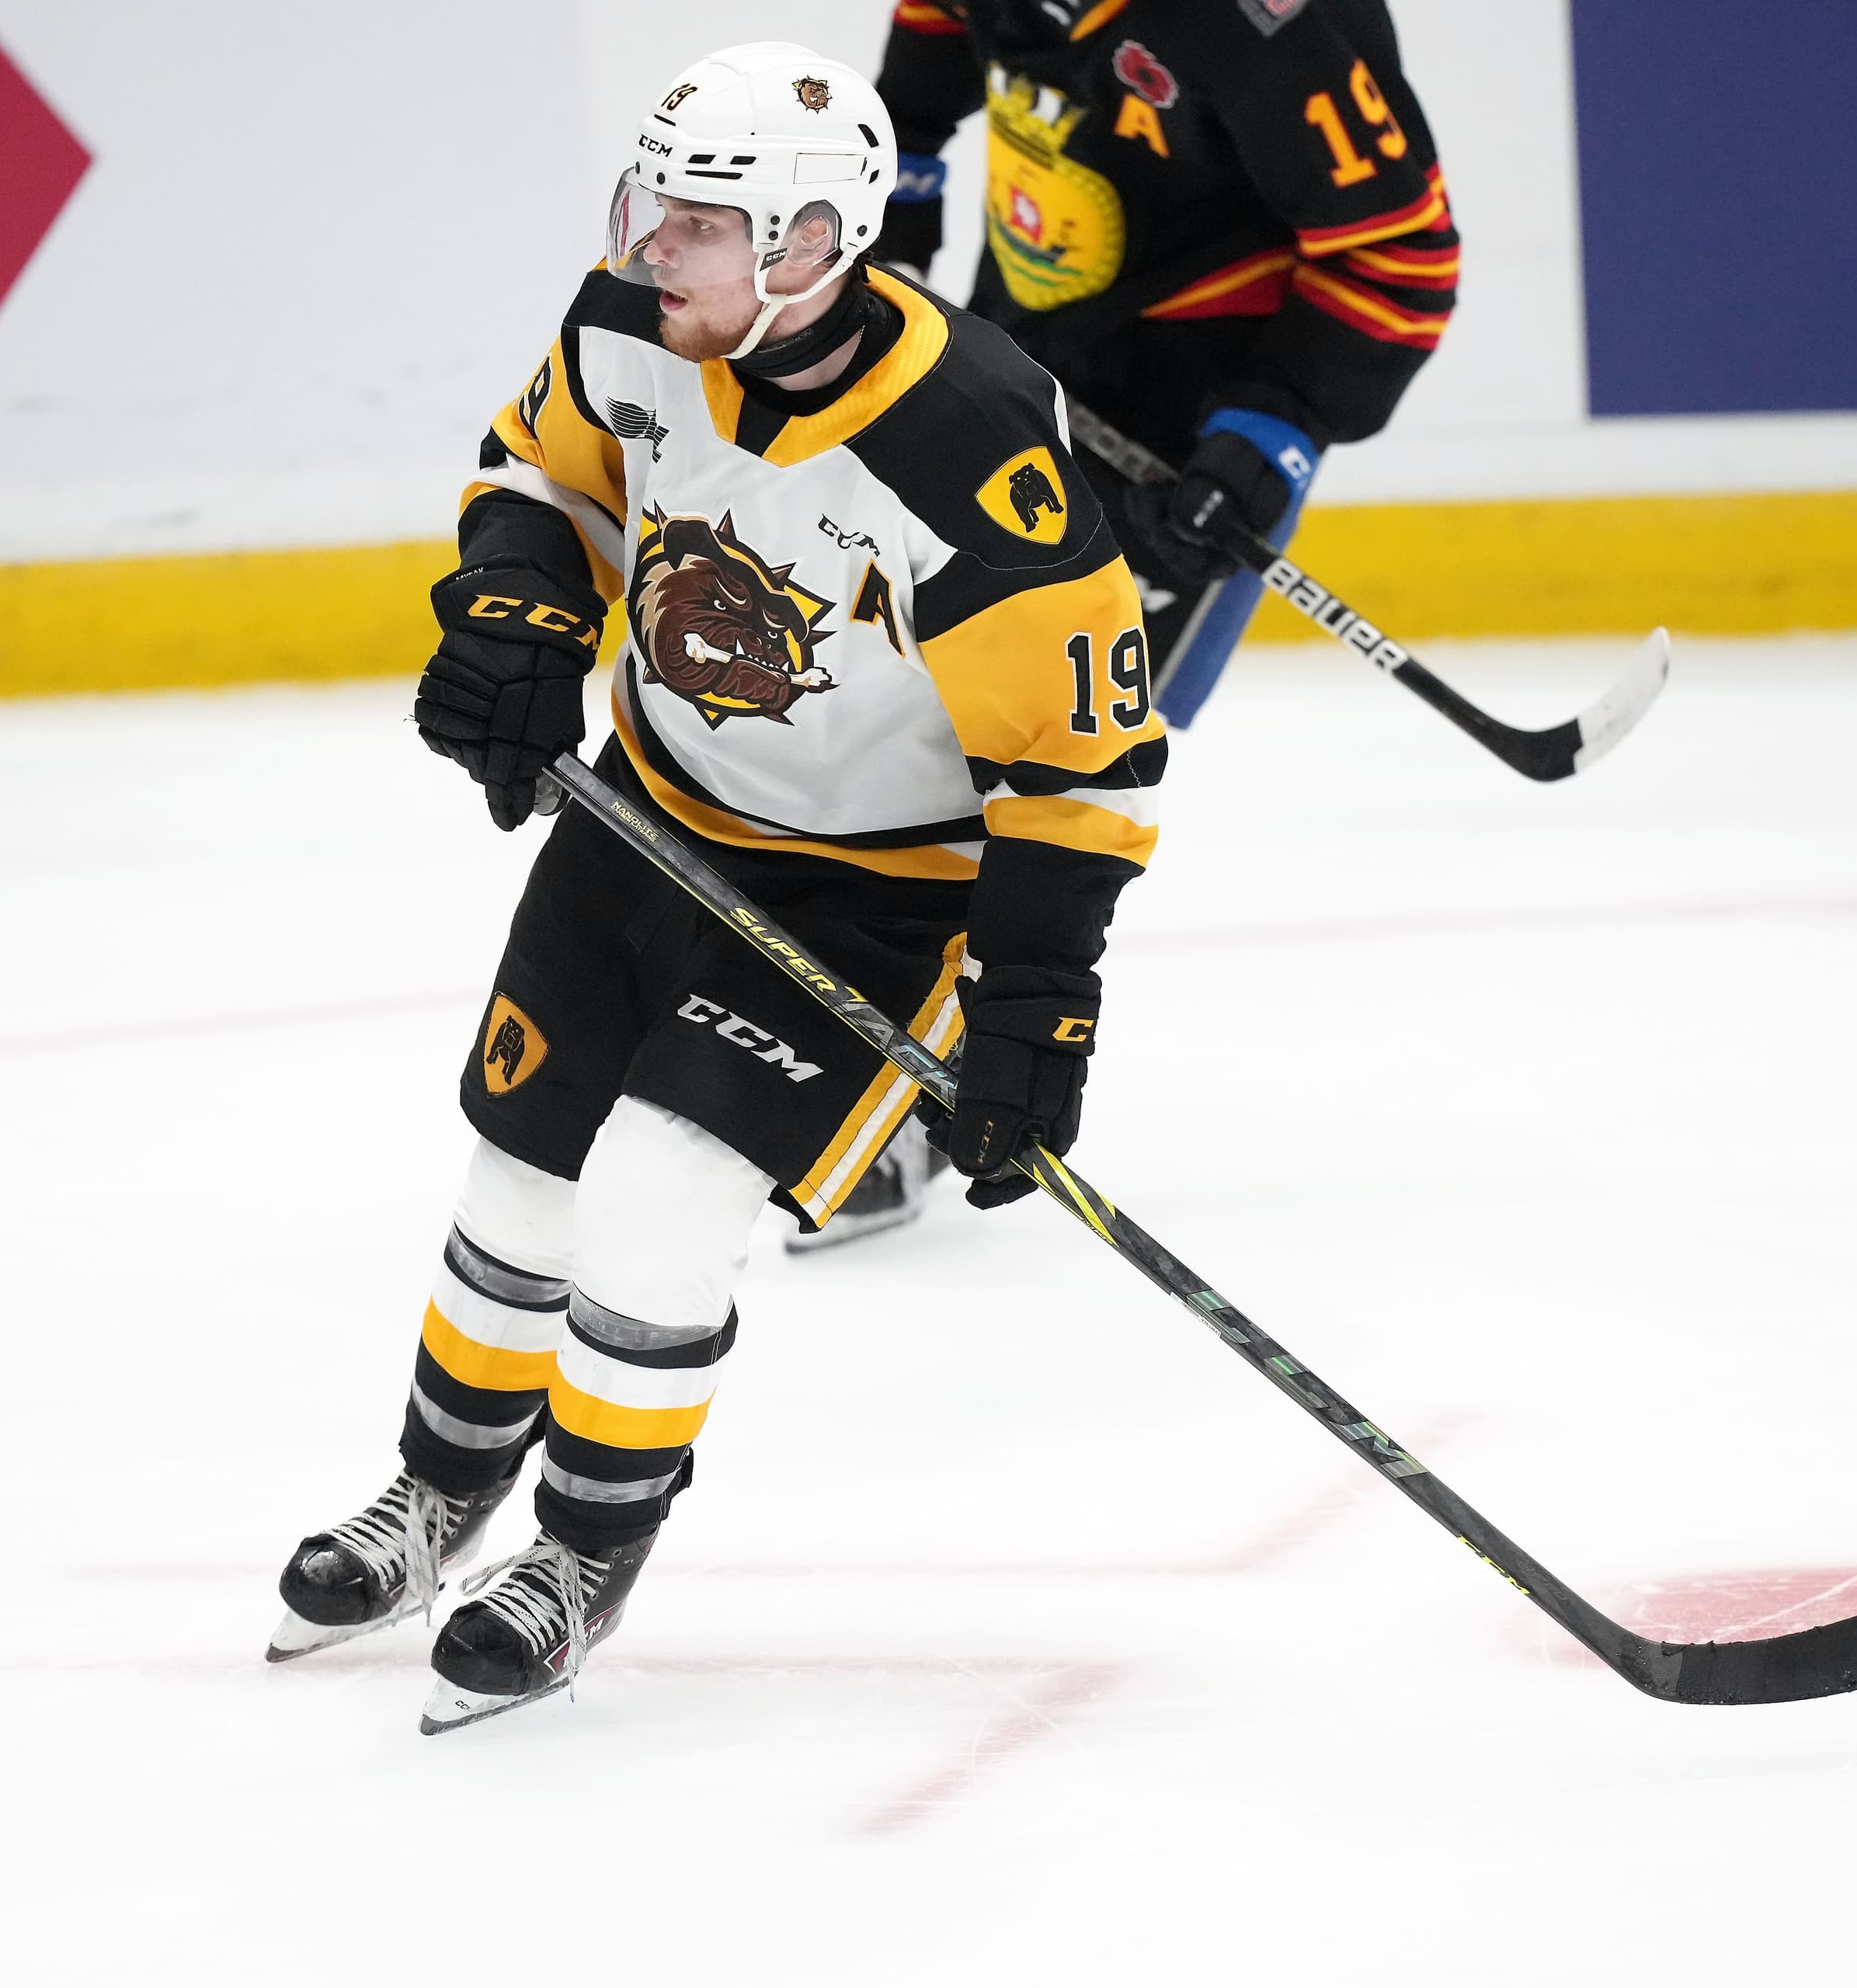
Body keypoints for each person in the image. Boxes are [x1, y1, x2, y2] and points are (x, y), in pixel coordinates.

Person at [266, 42, 1163, 1734]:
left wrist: (1037, 999)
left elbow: (1081, 761)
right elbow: (540, 479)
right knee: (520, 1174)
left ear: (814, 244)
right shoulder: (635, 323)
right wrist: (519, 611)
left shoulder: (971, 441)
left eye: (695, 221)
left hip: (870, 893)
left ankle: (583, 1550)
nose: (646, 245)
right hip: (649, 813)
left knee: (666, 1200)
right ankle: (436, 1493)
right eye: (650, 205)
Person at [871, 0, 1459, 728]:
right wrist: (885, 241)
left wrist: (1275, 425)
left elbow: (1400, 256)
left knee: (1077, 741)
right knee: (884, 681)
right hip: (1012, 345)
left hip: (1188, 414)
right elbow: (918, 81)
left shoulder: (1276, 27)